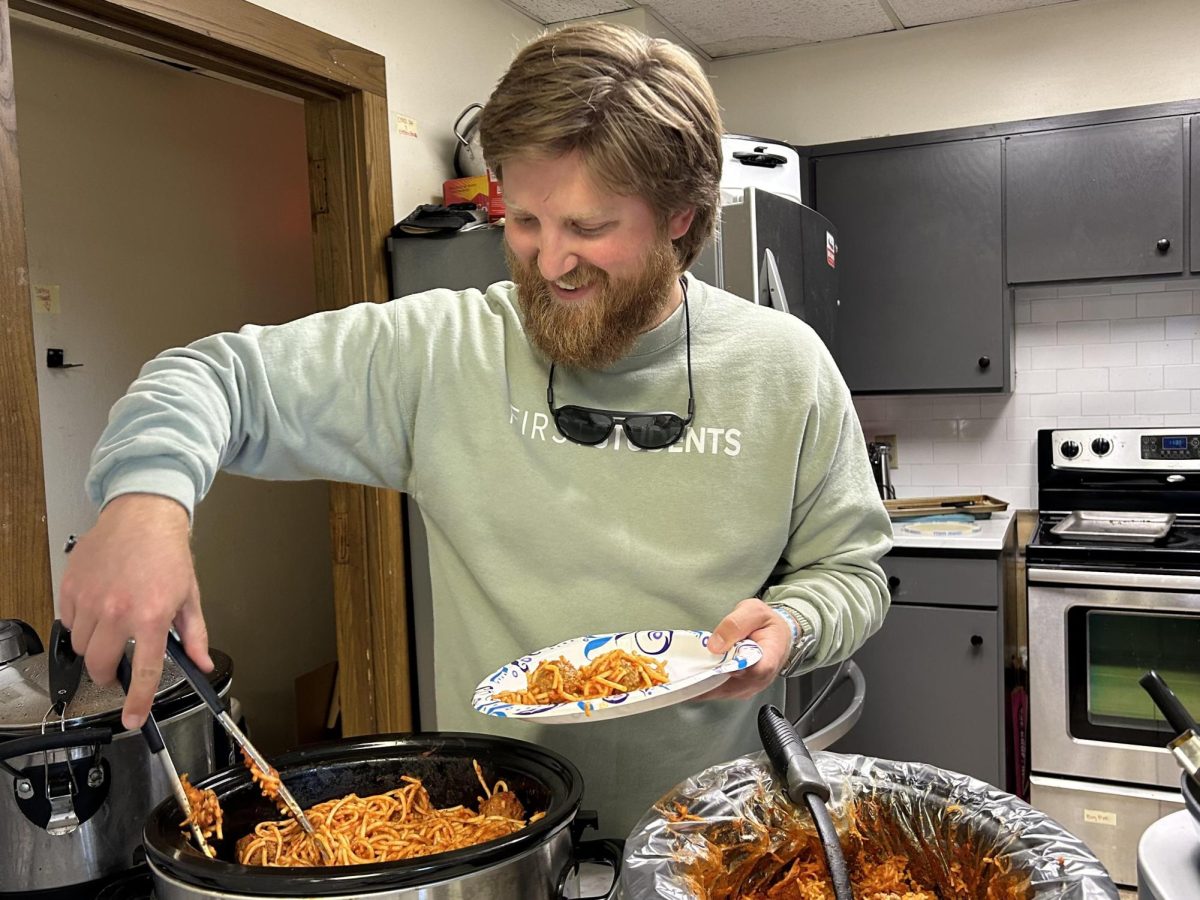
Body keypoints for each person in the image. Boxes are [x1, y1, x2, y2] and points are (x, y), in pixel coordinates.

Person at [60, 21, 892, 839]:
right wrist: (144, 501)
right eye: (524, 220)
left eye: (590, 227)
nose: (549, 262)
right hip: (492, 831)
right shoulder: (440, 349)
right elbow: (215, 376)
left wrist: (796, 624)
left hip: (713, 829)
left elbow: (852, 569)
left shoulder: (786, 367)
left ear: (681, 215)